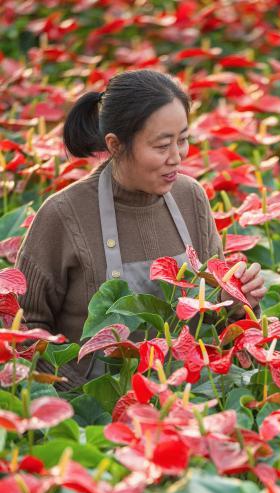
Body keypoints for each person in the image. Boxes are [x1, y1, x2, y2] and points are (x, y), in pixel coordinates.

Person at [17, 70, 266, 389]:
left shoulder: (190, 197)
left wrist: (239, 299)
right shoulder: (65, 213)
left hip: (183, 398)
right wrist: (79, 400)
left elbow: (210, 314)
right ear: (116, 145)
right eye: (162, 146)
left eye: (183, 139)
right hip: (90, 415)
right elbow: (25, 328)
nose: (177, 157)